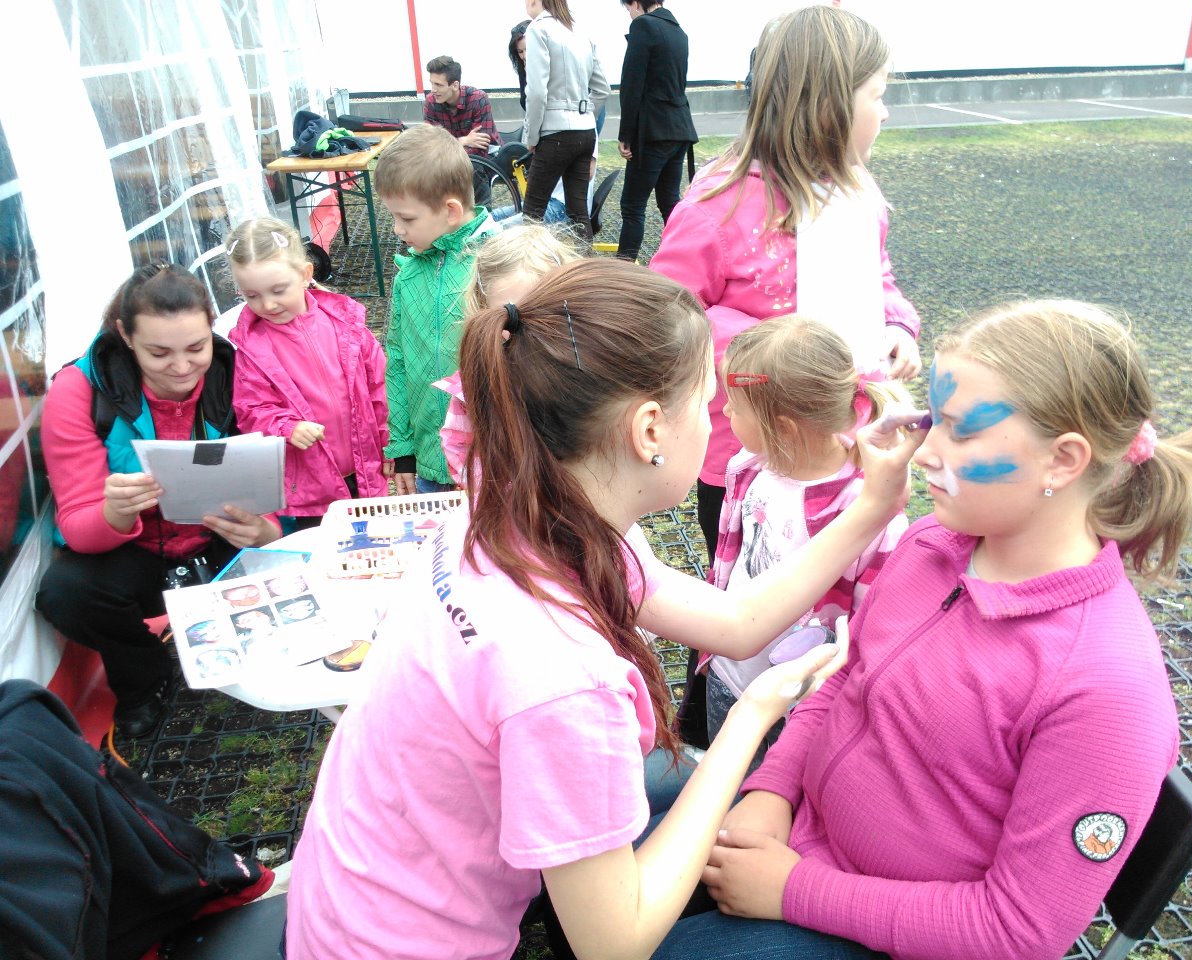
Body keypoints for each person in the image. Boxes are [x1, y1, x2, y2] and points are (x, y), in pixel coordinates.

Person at [285, 258, 925, 960]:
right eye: (706, 405)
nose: (715, 425)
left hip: (351, 891)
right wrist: (750, 717)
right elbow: (614, 943)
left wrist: (869, 510)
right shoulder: (563, 675)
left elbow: (736, 624)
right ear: (649, 430)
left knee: (675, 789)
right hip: (395, 947)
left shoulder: (520, 510)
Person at [653, 300, 1192, 960]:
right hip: (797, 838)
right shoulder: (929, 546)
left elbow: (1020, 931)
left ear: (1063, 461)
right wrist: (772, 789)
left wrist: (795, 890)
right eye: (933, 423)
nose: (925, 455)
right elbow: (844, 680)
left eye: (959, 433)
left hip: (892, 931)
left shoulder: (1106, 690)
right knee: (615, 880)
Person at [649, 4, 922, 749]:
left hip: (845, 445)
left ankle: (822, 722)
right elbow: (667, 316)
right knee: (749, 580)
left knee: (846, 582)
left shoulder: (857, 197)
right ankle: (726, 712)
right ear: (828, 103)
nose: (886, 112)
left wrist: (897, 327)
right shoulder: (720, 202)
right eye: (877, 95)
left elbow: (881, 279)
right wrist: (765, 347)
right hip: (747, 455)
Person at [35, 264, 282, 738]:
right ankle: (145, 678)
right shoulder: (80, 390)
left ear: (212, 327)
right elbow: (79, 525)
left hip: (220, 537)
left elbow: (288, 475)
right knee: (67, 593)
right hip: (136, 550)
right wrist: (115, 511)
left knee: (300, 549)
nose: (182, 367)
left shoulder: (238, 370)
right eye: (159, 353)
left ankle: (262, 647)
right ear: (125, 335)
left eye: (197, 347)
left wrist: (266, 528)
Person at [702, 316, 909, 771]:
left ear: (783, 427)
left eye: (736, 405)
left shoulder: (864, 508)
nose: (725, 412)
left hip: (798, 702)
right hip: (730, 672)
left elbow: (870, 620)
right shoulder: (750, 467)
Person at [226, 217, 389, 531]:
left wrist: (390, 445)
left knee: (375, 543)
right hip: (311, 490)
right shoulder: (252, 349)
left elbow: (379, 387)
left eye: (278, 290)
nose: (268, 304)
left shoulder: (346, 324)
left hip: (366, 472)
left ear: (305, 274)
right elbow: (251, 411)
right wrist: (287, 427)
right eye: (252, 296)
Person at [374, 123, 499, 494]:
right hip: (428, 464)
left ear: (450, 211)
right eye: (394, 217)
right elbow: (397, 359)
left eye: (407, 218)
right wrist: (403, 449)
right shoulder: (410, 274)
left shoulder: (497, 267)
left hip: (491, 466)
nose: (397, 230)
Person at [436, 224, 582, 484]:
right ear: (484, 309)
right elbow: (460, 445)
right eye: (511, 318)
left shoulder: (584, 368)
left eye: (541, 314)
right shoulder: (477, 382)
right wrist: (501, 489)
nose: (525, 330)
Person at [616, 0, 698, 262]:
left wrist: (625, 135)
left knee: (632, 206)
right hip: (680, 127)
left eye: (627, 7)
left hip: (653, 130)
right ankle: (686, 263)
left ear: (636, 3)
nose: (629, 13)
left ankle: (623, 271)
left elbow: (631, 85)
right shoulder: (679, 31)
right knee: (669, 202)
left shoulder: (643, 26)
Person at [521, 0, 609, 242]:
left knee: (532, 213)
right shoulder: (580, 31)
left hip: (555, 132)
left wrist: (531, 135)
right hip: (585, 131)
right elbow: (603, 89)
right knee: (579, 212)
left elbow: (536, 92)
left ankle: (532, 265)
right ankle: (586, 263)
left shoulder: (538, 28)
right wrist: (584, 114)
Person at [423, 55, 501, 157]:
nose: (433, 90)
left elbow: (480, 149)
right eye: (432, 83)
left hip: (487, 155)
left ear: (455, 85)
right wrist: (462, 141)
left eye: (439, 85)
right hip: (449, 157)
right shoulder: (431, 101)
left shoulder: (478, 99)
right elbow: (429, 144)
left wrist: (445, 147)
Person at [509, 20, 531, 111]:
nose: (525, 56)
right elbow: (524, 103)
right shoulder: (523, 67)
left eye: (528, 49)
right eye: (520, 52)